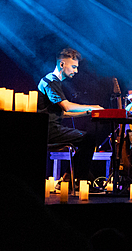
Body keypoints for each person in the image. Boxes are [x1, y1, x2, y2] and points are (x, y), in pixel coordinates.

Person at [37, 48, 103, 184]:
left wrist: (88, 113)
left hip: (52, 127)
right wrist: (92, 107)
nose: (76, 71)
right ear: (62, 64)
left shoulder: (55, 82)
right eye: (73, 67)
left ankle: (71, 177)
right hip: (48, 129)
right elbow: (66, 106)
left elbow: (63, 113)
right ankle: (79, 179)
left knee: (88, 139)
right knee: (89, 139)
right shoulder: (50, 81)